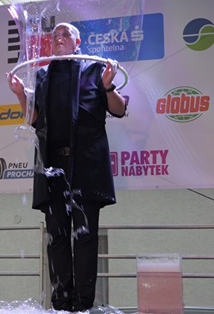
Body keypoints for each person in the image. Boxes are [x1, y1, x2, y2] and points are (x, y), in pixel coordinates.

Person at [8, 22, 127, 312]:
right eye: (55, 36)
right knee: (57, 237)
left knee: (85, 236)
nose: (59, 39)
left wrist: (108, 86)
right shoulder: (43, 75)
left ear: (78, 42)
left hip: (86, 164)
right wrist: (21, 94)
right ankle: (61, 305)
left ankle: (83, 305)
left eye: (65, 35)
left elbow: (119, 109)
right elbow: (34, 120)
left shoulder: (94, 70)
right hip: (52, 166)